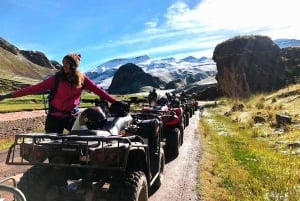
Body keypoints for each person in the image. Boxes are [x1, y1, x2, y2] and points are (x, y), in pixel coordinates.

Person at [0, 53, 123, 133]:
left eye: (66, 63)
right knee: (51, 148)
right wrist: (10, 95)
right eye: (63, 63)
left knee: (80, 143)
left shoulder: (82, 79)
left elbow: (98, 90)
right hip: (54, 117)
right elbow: (34, 88)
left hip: (71, 116)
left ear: (74, 66)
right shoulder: (56, 78)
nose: (63, 66)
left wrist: (115, 102)